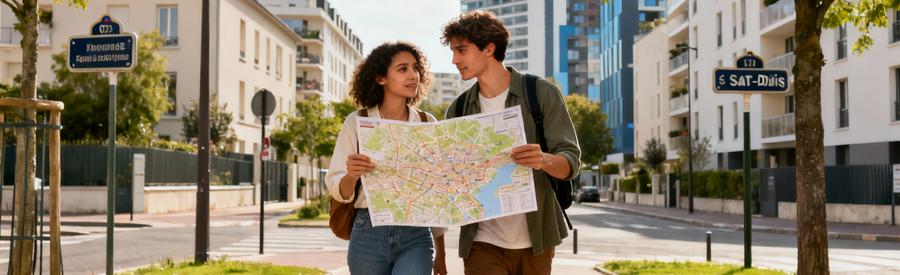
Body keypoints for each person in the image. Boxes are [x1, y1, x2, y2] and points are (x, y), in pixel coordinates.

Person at [441, 10, 582, 275]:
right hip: (482, 241)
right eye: (453, 52)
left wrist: (543, 160)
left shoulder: (541, 93)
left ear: (489, 48)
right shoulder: (458, 110)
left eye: (461, 50)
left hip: (536, 240)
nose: (454, 60)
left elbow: (570, 162)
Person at [324, 41, 447, 275]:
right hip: (368, 233)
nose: (413, 75)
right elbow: (338, 189)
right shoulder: (356, 122)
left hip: (415, 234)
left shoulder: (426, 123)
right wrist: (351, 175)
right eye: (403, 69)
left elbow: (436, 193)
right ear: (381, 78)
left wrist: (441, 252)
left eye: (416, 68)